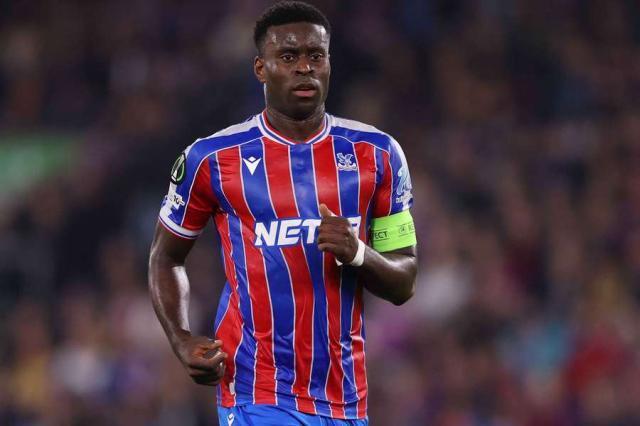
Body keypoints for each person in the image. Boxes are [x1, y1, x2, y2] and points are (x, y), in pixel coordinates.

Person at [148, 2, 418, 425]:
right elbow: (166, 257)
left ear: (329, 63)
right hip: (255, 391)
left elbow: (404, 280)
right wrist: (180, 338)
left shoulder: (378, 154)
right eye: (288, 56)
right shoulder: (212, 159)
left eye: (316, 56)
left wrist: (358, 253)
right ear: (261, 68)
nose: (304, 68)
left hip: (346, 397)